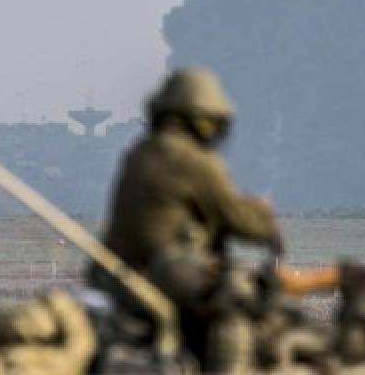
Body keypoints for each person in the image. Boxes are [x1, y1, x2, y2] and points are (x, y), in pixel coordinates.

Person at [92, 67, 283, 372]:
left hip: (116, 276)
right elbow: (238, 218)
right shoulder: (193, 160)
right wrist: (264, 214)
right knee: (234, 294)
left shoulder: (140, 152)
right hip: (159, 273)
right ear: (201, 120)